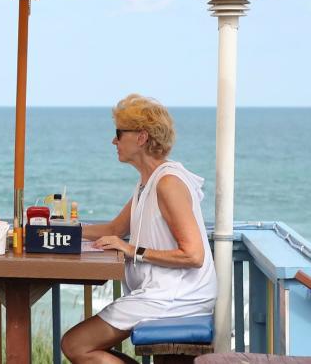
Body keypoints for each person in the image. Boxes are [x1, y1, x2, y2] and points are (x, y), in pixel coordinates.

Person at [61, 95, 217, 364]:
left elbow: (194, 255)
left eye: (118, 134)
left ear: (141, 137)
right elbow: (114, 228)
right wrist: (60, 231)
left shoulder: (168, 183)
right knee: (76, 344)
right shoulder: (148, 182)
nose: (114, 141)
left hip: (177, 298)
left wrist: (132, 250)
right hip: (163, 293)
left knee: (76, 344)